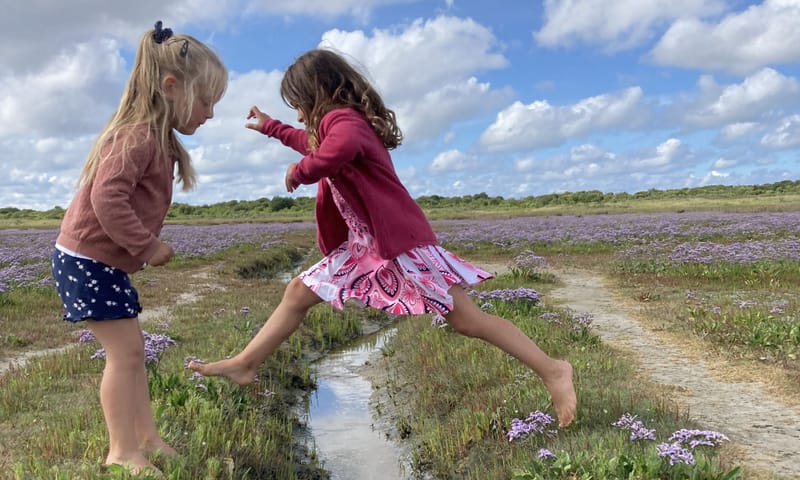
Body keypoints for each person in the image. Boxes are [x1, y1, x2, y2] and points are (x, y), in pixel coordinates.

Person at [189, 48, 576, 427]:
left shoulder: (346, 122)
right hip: (364, 248)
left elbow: (331, 153)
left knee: (468, 320)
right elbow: (307, 142)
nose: (298, 114)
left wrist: (301, 171)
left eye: (298, 103)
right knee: (297, 292)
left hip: (398, 247)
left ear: (318, 92)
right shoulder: (334, 125)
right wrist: (270, 127)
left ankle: (553, 369)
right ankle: (246, 363)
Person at [50, 21, 227, 474]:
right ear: (171, 87)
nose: (209, 113)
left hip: (100, 262)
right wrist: (146, 246)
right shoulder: (136, 135)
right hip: (86, 260)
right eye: (206, 101)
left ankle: (146, 437)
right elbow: (105, 199)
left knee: (134, 352)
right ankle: (121, 450)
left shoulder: (156, 137)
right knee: (125, 354)